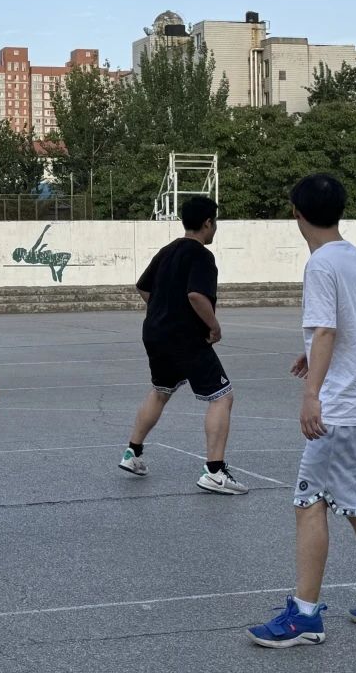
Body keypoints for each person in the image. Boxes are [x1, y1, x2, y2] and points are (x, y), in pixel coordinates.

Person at [249, 174, 356, 648]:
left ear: (296, 213)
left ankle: (304, 615)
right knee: (355, 502)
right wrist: (314, 352)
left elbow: (328, 329)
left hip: (340, 407)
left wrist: (312, 393)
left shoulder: (321, 264)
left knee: (309, 501)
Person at [117, 195, 246, 495]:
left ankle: (132, 452)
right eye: (215, 222)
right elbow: (196, 295)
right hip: (185, 336)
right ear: (208, 223)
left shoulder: (167, 250)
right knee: (222, 396)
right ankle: (214, 471)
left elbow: (142, 287)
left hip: (155, 333)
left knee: (161, 390)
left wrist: (162, 309)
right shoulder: (201, 256)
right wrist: (213, 326)